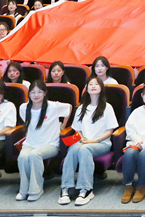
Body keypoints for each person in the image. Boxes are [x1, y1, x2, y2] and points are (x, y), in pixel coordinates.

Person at [59, 76, 118, 206]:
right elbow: (77, 129)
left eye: (96, 84)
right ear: (86, 88)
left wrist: (93, 141)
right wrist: (82, 138)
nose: (93, 86)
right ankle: (66, 188)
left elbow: (110, 131)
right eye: (90, 84)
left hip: (101, 143)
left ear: (101, 88)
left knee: (85, 149)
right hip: (83, 142)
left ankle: (85, 189)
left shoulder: (107, 107)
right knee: (72, 148)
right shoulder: (81, 108)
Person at [17, 80, 72, 202]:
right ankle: (23, 190)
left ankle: (36, 190)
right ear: (29, 94)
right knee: (23, 157)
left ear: (45, 93)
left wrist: (63, 125)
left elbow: (69, 107)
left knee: (35, 154)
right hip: (30, 143)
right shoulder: (23, 108)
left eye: (39, 92)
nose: (36, 95)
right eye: (33, 92)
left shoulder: (53, 106)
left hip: (50, 144)